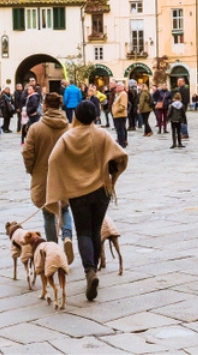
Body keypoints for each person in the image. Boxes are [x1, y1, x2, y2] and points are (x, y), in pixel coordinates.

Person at [45, 102, 128, 302]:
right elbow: (121, 156)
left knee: (83, 231)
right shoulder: (102, 135)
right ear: (95, 116)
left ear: (77, 116)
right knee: (96, 229)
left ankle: (90, 271)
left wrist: (64, 180)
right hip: (101, 190)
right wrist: (111, 173)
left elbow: (53, 160)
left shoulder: (68, 137)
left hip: (78, 191)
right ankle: (93, 272)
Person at [22, 93, 75, 264]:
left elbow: (27, 153)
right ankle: (67, 236)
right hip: (64, 175)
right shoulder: (68, 127)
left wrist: (32, 170)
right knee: (65, 208)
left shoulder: (36, 128)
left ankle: (54, 248)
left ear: (45, 105)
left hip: (43, 175)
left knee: (48, 213)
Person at [111, 83, 129, 148]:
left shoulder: (123, 94)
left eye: (119, 86)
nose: (117, 87)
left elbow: (123, 105)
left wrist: (116, 111)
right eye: (117, 86)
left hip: (120, 115)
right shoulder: (118, 94)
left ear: (122, 87)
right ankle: (122, 141)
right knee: (120, 129)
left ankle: (122, 143)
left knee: (120, 129)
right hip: (117, 115)